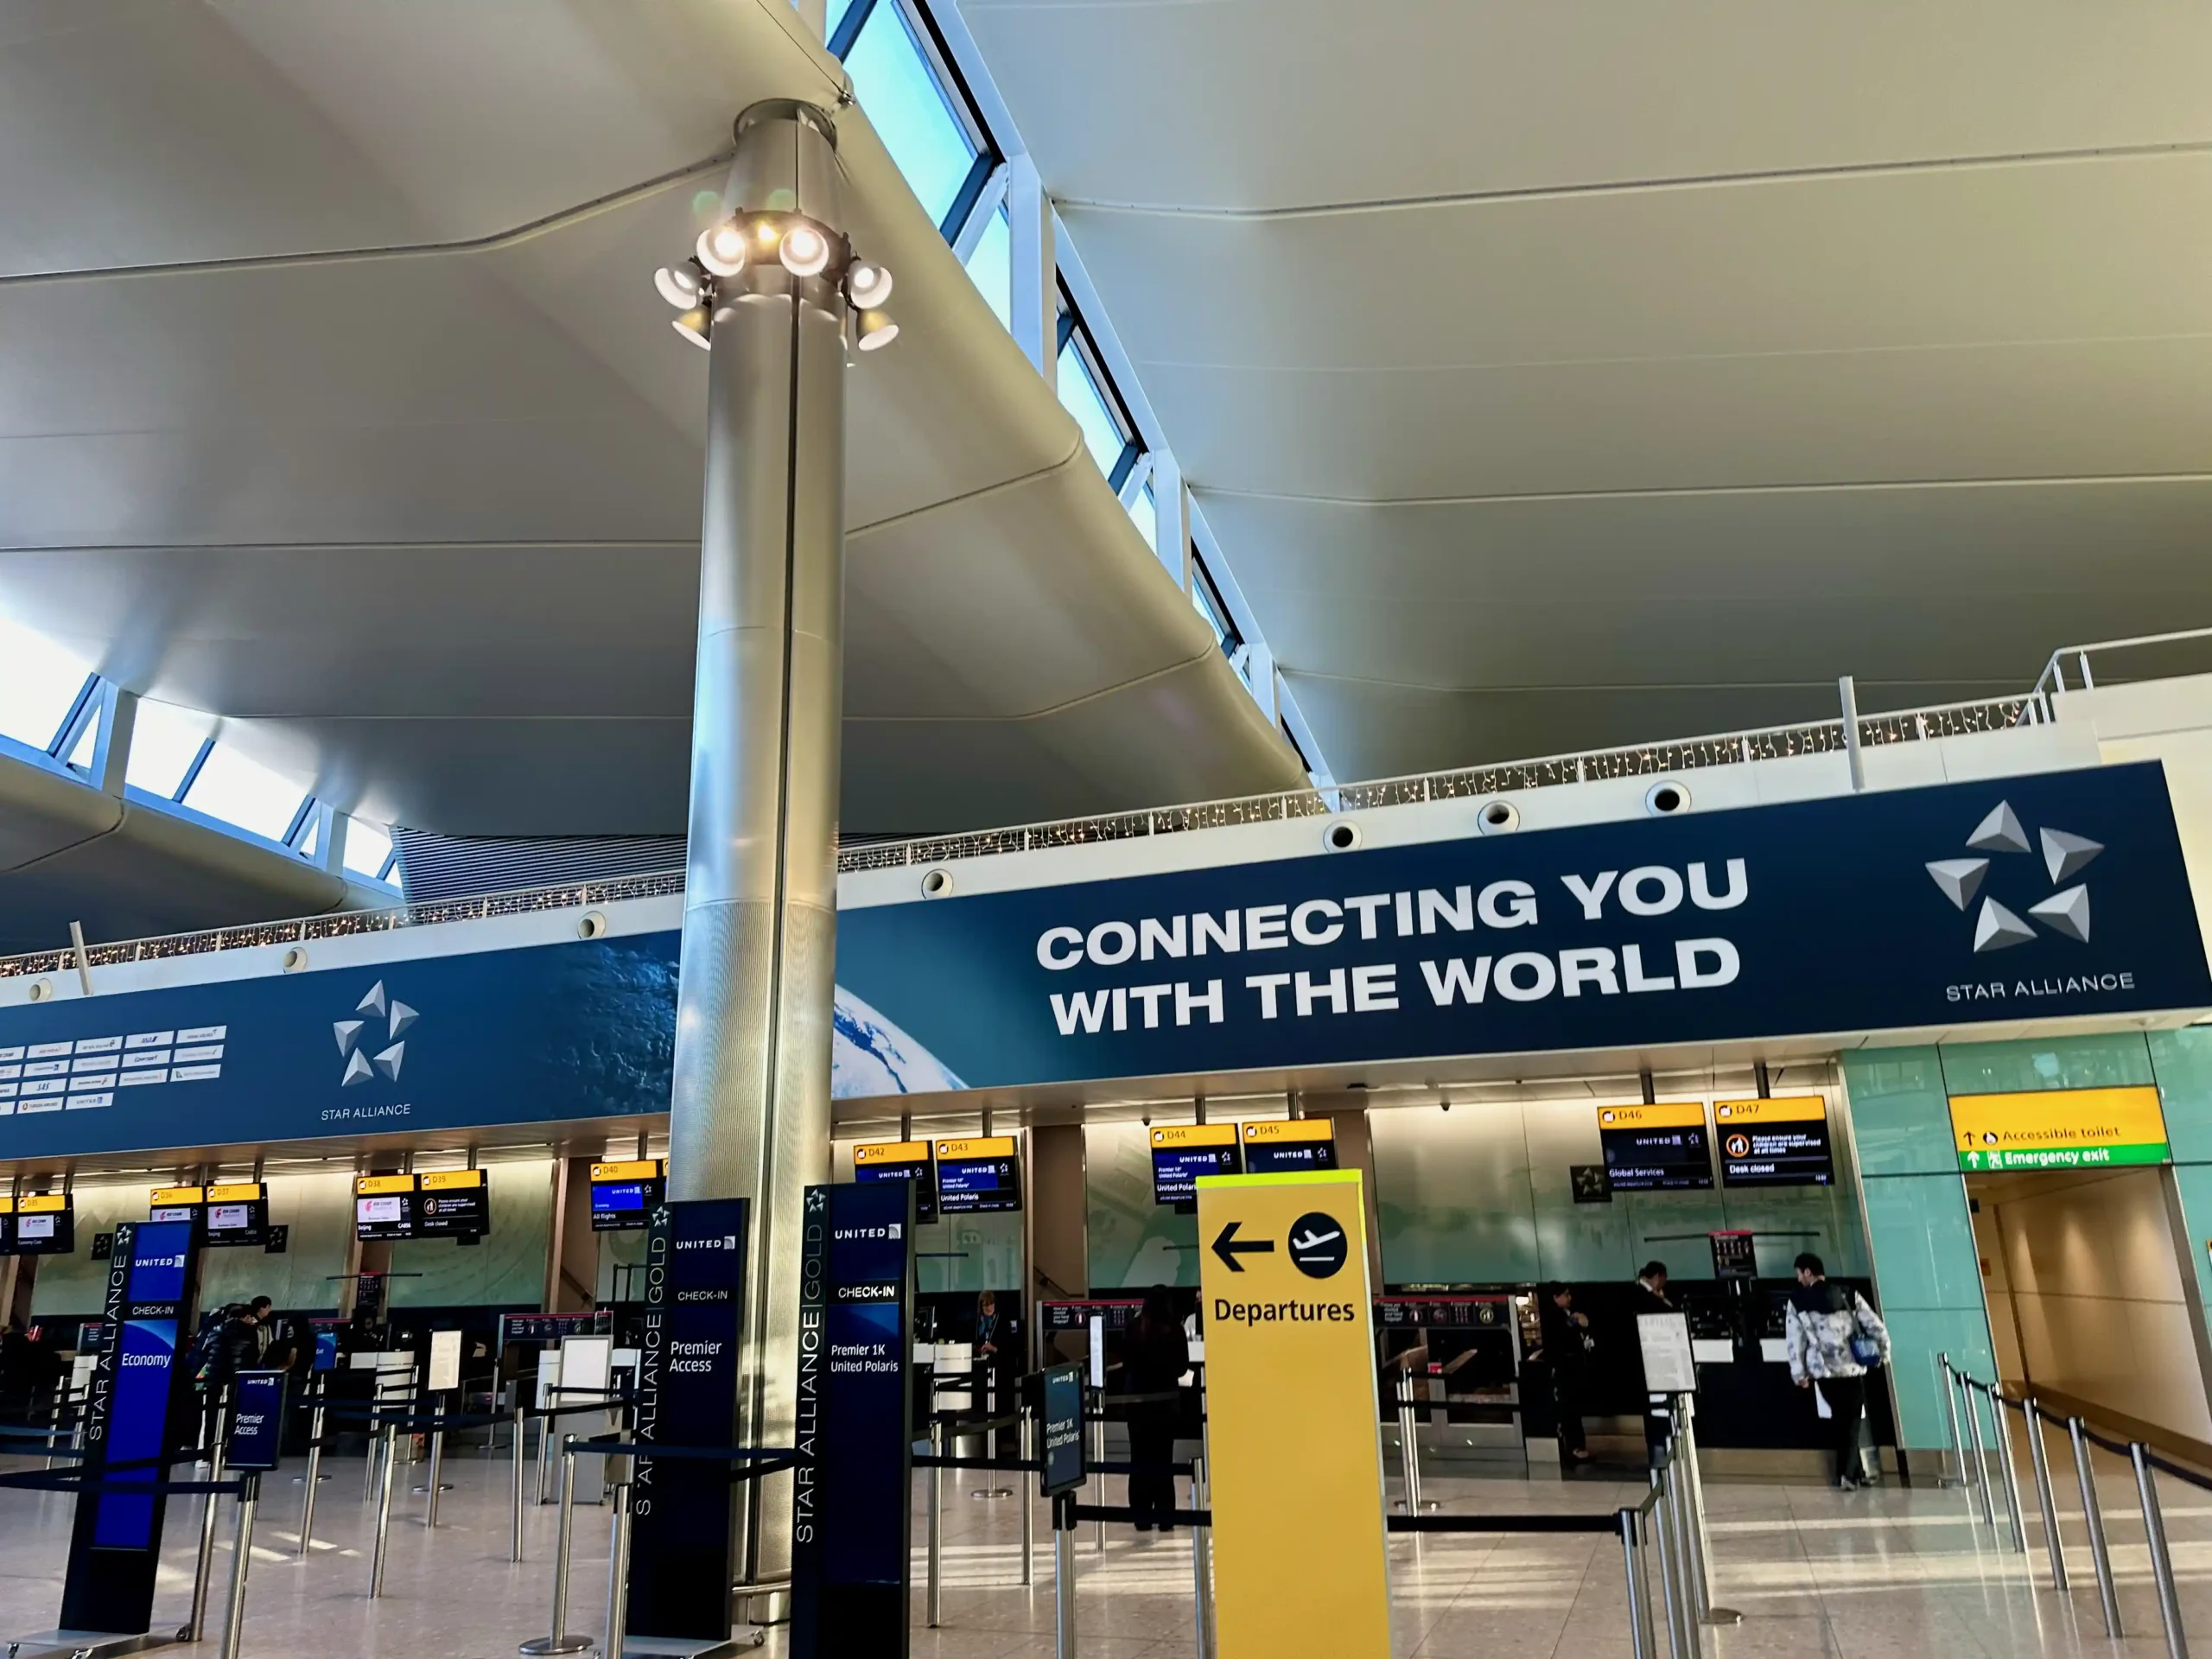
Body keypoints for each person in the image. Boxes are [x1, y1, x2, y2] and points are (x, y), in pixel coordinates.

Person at [1783, 1253, 1891, 1489]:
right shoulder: (1848, 1293)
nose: (1799, 1279)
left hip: (1824, 1371)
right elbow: (1875, 1326)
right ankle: (1848, 1474)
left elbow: (1795, 1341)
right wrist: (1883, 1354)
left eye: (1799, 1274)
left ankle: (1852, 1473)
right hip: (1852, 1367)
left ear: (1808, 1272)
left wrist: (1799, 1374)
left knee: (1842, 1421)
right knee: (1850, 1421)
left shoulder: (1797, 1301)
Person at [1122, 1286, 1190, 1531]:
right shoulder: (1175, 1330)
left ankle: (1141, 1517)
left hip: (1137, 1405)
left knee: (1139, 1458)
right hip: (1165, 1405)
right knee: (1163, 1459)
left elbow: (1126, 1364)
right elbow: (1182, 1368)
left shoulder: (1133, 1328)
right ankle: (1165, 1517)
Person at [1539, 1283, 1594, 1470]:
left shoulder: (1565, 1314)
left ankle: (1577, 1446)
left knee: (1573, 1409)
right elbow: (1562, 1336)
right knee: (1569, 1410)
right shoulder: (1554, 1317)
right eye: (1565, 1295)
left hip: (1572, 1371)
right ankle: (1574, 1448)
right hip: (1565, 1372)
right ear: (1556, 1297)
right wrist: (1576, 1321)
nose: (1569, 1298)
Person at [1628, 1262, 1675, 1464]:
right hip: (1649, 1362)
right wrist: (1663, 1301)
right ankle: (1658, 1454)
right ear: (1657, 1277)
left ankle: (1659, 1450)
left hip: (1648, 1362)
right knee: (1653, 1412)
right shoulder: (1642, 1296)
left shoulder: (1641, 1295)